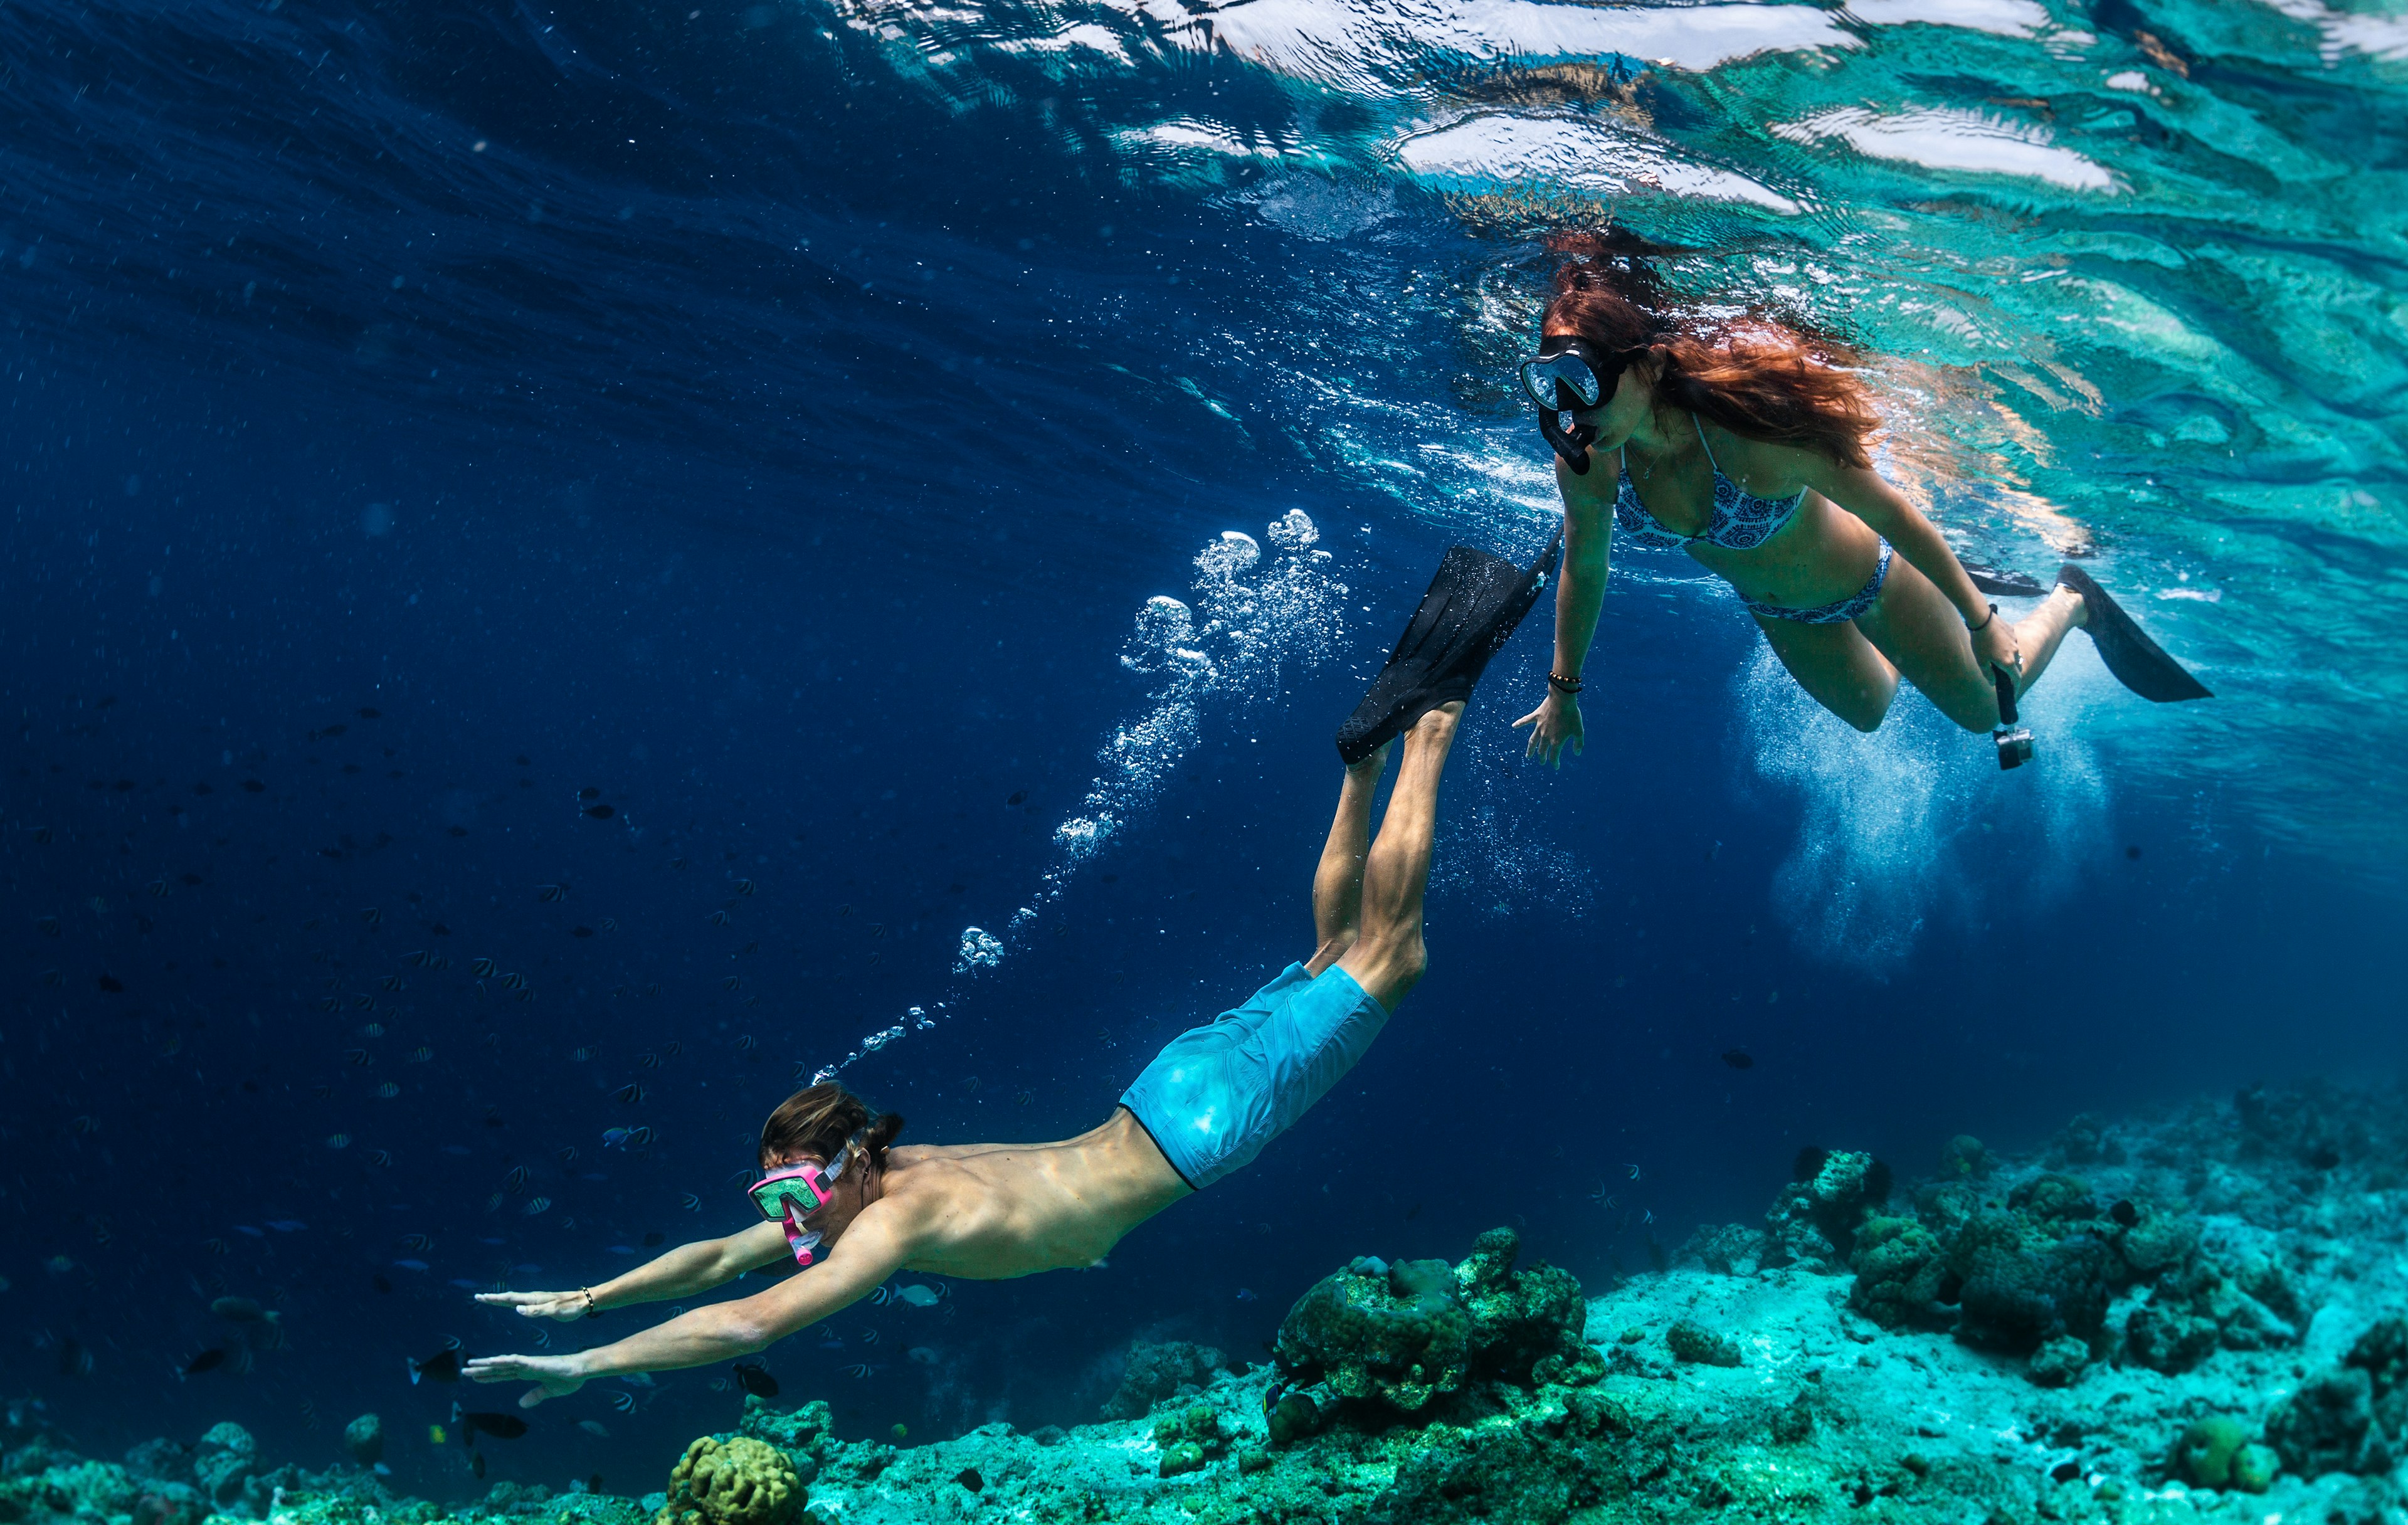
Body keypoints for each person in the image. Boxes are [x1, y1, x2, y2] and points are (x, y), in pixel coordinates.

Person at [460, 544, 1551, 1406]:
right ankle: (1359, 767)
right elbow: (715, 1261)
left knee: (1385, 955)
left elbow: (749, 1319)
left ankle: (1431, 723)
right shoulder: (886, 1173)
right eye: (774, 1194)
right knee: (1324, 958)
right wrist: (590, 1297)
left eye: (795, 1190)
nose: (787, 1214)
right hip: (1163, 1088)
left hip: (1200, 1128)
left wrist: (582, 1367)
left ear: (847, 1164)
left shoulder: (889, 1226)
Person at [1510, 228, 2208, 767]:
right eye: (1552, 387)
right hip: (1779, 608)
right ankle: (1942, 611)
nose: (1573, 410)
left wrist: (1978, 619)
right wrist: (1562, 687)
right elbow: (1586, 567)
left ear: (1650, 363)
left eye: (1586, 382)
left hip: (1870, 579)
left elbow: (1893, 511)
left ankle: (2071, 597)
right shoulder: (1592, 461)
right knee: (1871, 708)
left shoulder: (1750, 435)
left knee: (1982, 708)